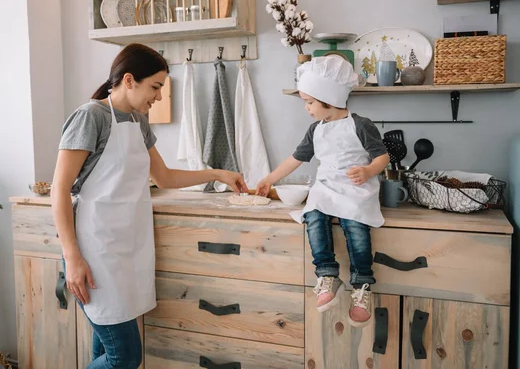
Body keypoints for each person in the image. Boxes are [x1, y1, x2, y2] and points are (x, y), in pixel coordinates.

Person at [51, 43, 248, 369]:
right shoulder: (91, 117)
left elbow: (165, 176)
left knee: (105, 351)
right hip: (94, 250)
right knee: (124, 357)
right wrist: (72, 258)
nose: (158, 96)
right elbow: (59, 190)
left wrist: (217, 173)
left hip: (127, 248)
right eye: (155, 86)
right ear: (129, 80)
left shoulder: (138, 120)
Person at [256, 55, 389, 327]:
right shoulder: (315, 130)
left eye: (310, 102)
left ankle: (362, 285)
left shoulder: (361, 125)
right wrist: (269, 180)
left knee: (355, 227)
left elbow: (382, 157)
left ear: (329, 98)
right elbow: (296, 158)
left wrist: (367, 171)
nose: (306, 108)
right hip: (326, 187)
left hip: (355, 188)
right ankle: (327, 274)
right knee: (313, 216)